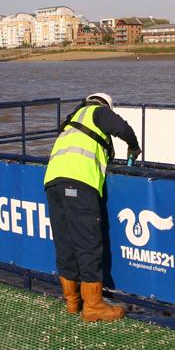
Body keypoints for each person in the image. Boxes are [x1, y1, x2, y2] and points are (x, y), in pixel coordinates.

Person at [44, 92, 141, 322]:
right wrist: (134, 146)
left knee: (65, 242)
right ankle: (94, 306)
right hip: (79, 183)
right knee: (88, 244)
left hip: (52, 182)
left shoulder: (71, 120)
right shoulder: (97, 111)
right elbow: (122, 128)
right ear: (105, 104)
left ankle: (72, 301)